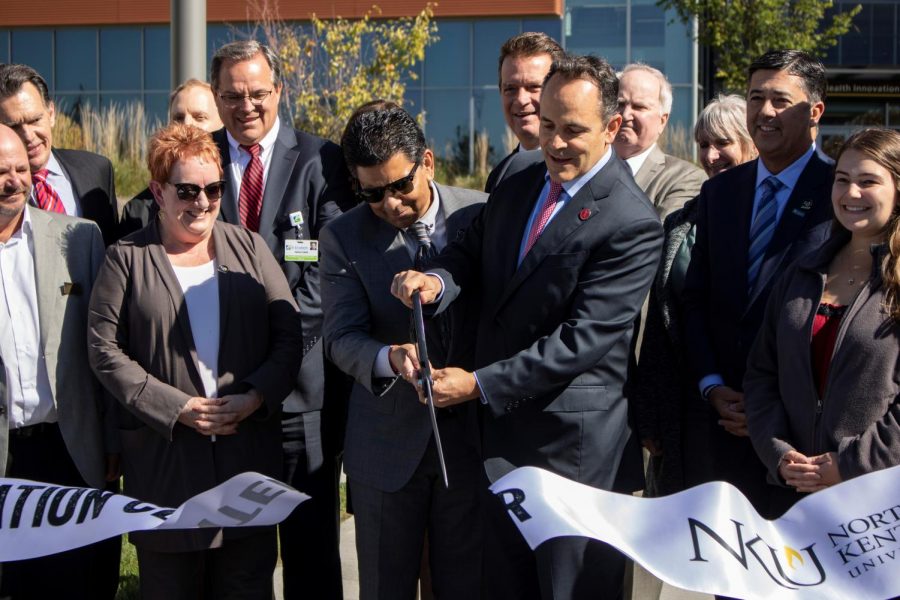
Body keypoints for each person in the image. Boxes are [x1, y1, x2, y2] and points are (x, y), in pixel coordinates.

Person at [392, 53, 664, 600]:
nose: (556, 143)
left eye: (573, 130)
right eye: (547, 125)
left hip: (575, 458)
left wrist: (479, 384)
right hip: (496, 448)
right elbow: (471, 250)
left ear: (612, 127)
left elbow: (581, 341)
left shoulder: (631, 222)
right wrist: (437, 282)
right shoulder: (520, 178)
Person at [87, 122, 301, 598]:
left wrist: (254, 396)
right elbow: (103, 350)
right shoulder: (127, 258)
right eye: (187, 190)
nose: (202, 202)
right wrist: (175, 407)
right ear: (158, 191)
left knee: (247, 585)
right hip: (166, 471)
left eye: (213, 189)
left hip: (245, 466)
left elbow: (288, 338)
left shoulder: (250, 247)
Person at [320, 102, 485, 599]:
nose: (390, 204)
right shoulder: (341, 236)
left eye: (400, 186)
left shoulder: (482, 213)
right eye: (372, 193)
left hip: (471, 447)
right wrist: (388, 358)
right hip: (386, 449)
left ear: (427, 162)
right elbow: (340, 337)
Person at [209, 39, 353, 599]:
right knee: (239, 560)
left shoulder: (322, 161)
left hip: (303, 397)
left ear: (279, 91)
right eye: (232, 95)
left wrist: (273, 360)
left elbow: (329, 272)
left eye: (258, 93)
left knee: (311, 553)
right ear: (217, 97)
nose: (246, 106)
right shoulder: (199, 163)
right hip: (222, 392)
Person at [682, 49, 834, 518]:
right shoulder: (719, 192)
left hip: (803, 440)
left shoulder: (841, 194)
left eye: (780, 100)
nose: (765, 112)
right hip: (724, 426)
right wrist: (711, 384)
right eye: (755, 98)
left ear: (814, 112)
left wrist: (773, 402)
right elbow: (696, 298)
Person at [745, 128, 900, 514]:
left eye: (868, 182)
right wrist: (779, 454)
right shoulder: (802, 271)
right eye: (842, 180)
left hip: (878, 506)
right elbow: (762, 374)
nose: (851, 194)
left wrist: (846, 465)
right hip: (790, 495)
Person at [0, 124, 117, 600]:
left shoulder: (79, 239)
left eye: (21, 169)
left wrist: (112, 440)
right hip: (5, 449)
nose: (13, 180)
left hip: (67, 448)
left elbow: (108, 349)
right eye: (0, 171)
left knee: (70, 581)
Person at [634, 94, 757, 497]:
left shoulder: (770, 218)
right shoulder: (684, 221)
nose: (711, 155)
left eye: (723, 142)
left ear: (752, 143)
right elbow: (661, 319)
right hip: (688, 404)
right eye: (703, 143)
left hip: (753, 408)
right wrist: (651, 413)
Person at [0, 63, 119, 245]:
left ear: (51, 114)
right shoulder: (6, 188)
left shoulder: (97, 170)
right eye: (14, 127)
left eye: (35, 120)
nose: (29, 136)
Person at [120, 79, 224, 234]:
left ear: (222, 123)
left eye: (199, 117)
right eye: (178, 118)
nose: (187, 124)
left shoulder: (235, 193)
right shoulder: (139, 210)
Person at [613, 64, 706, 220]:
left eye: (639, 107)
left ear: (662, 121)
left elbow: (660, 237)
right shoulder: (584, 169)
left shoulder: (686, 179)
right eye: (620, 104)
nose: (626, 114)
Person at [484, 32, 564, 193]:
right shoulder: (499, 178)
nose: (521, 99)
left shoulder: (583, 170)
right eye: (510, 89)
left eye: (534, 87)